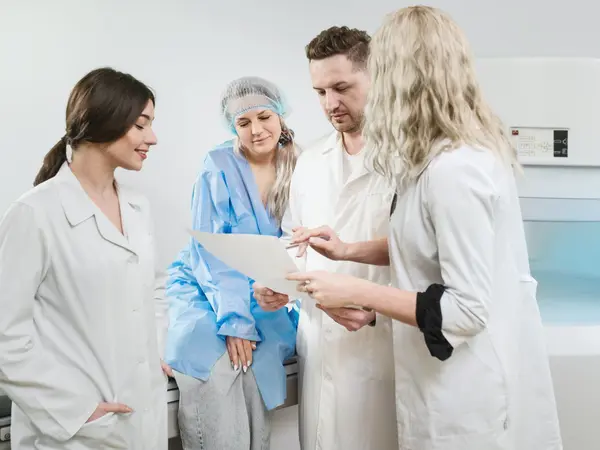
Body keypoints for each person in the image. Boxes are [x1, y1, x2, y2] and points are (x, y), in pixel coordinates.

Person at [285, 6, 563, 450]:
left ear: (401, 76)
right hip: (428, 377)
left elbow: (467, 309)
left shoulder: (455, 168)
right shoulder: (437, 157)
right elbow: (427, 247)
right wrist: (348, 252)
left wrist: (359, 292)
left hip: (461, 390)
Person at [0, 67, 169, 449]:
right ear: (105, 121)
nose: (152, 138)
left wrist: (157, 347)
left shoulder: (138, 208)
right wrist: (76, 410)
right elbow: (5, 336)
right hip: (75, 430)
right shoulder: (35, 214)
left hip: (142, 415)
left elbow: (155, 289)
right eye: (141, 125)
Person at [254, 27, 398, 450]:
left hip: (381, 347)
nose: (330, 103)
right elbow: (295, 241)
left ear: (375, 78)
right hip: (319, 346)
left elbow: (424, 260)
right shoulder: (311, 162)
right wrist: (278, 284)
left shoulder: (406, 161)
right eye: (320, 92)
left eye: (341, 88)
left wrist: (377, 311)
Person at [163, 76, 299, 450]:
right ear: (232, 127)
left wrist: (283, 292)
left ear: (280, 115)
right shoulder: (217, 166)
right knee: (209, 358)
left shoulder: (300, 166)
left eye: (264, 117)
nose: (256, 130)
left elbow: (300, 242)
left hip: (265, 288)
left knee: (256, 361)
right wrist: (235, 320)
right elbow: (210, 251)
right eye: (243, 122)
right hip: (203, 281)